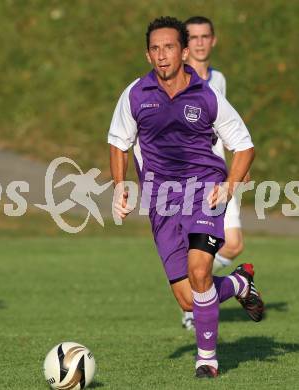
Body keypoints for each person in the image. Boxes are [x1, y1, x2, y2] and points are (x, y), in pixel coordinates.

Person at [108, 16, 264, 378]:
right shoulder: (135, 94)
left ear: (182, 52)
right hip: (161, 202)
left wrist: (228, 186)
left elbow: (244, 146)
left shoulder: (207, 96)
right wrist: (119, 186)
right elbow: (118, 141)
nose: (162, 55)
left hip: (204, 193)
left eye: (168, 47)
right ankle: (239, 283)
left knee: (199, 271)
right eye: (155, 49)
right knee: (188, 298)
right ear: (148, 55)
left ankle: (206, 360)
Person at [181, 15, 247, 330]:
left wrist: (239, 165)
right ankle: (194, 304)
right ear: (185, 43)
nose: (200, 42)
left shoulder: (218, 79)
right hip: (194, 177)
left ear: (214, 40)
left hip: (221, 174)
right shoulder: (179, 80)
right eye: (193, 37)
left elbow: (223, 127)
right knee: (202, 246)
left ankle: (198, 293)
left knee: (233, 244)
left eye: (205, 36)